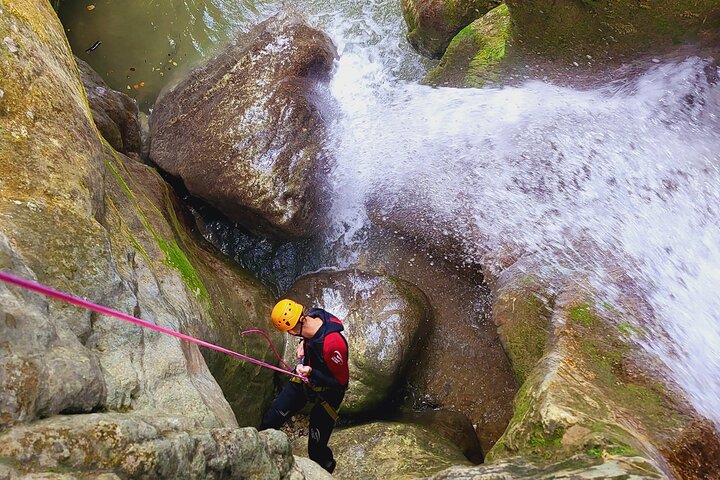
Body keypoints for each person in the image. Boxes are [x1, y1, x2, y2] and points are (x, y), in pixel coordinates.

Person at [260, 299, 349, 474]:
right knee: (270, 420)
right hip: (304, 381)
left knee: (317, 452)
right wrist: (303, 344)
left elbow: (341, 383)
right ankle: (262, 457)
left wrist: (310, 372)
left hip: (328, 394)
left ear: (294, 327)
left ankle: (327, 471)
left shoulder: (332, 345)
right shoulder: (314, 314)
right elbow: (309, 336)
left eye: (289, 331)